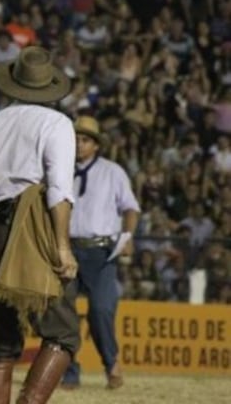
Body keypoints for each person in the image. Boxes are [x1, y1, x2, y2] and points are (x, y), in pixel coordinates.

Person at [0, 46, 81, 404]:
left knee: (0, 343)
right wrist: (61, 247)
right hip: (28, 227)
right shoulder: (56, 123)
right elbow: (59, 189)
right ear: (51, 87)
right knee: (63, 333)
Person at [61, 116, 140, 391]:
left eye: (84, 140)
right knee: (62, 312)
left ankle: (111, 362)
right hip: (66, 249)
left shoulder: (112, 172)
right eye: (76, 139)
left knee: (101, 309)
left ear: (95, 145)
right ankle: (68, 371)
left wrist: (127, 236)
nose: (79, 144)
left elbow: (130, 207)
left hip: (101, 251)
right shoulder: (60, 171)